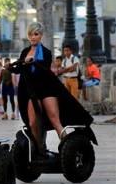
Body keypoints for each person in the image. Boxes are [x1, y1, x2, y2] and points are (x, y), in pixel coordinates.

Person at [9, 22, 93, 159]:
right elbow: (19, 68)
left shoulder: (46, 52)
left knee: (55, 120)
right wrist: (10, 67)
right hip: (32, 92)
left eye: (36, 34)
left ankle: (69, 150)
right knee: (32, 122)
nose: (33, 37)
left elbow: (43, 68)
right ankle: (39, 150)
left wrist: (32, 61)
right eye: (31, 34)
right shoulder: (25, 52)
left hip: (46, 89)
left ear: (41, 35)